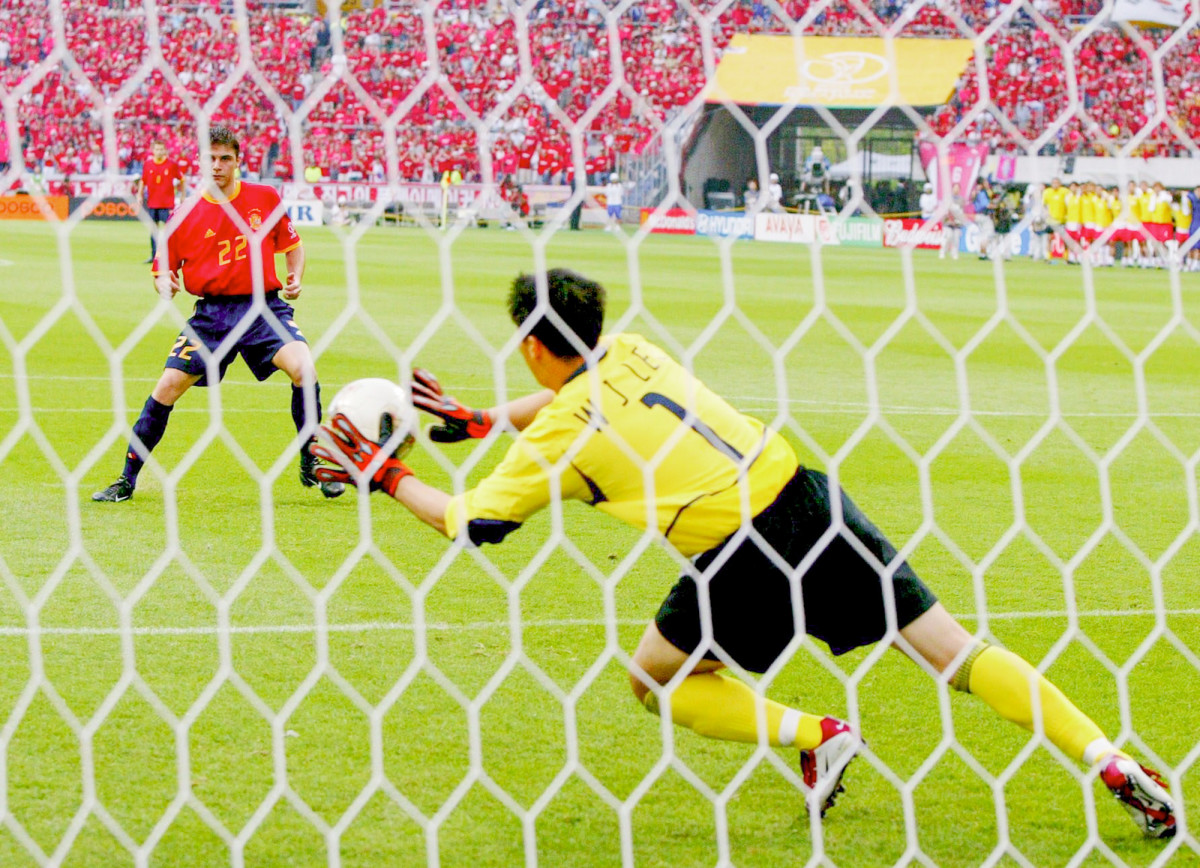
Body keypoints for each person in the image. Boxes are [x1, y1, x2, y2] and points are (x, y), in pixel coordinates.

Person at [310, 268, 1177, 836]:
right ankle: (1110, 758)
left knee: (655, 679)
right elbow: (584, 387)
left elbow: (472, 523)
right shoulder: (634, 346)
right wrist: (487, 419)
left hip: (738, 551)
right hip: (805, 492)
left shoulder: (566, 433)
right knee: (954, 650)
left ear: (534, 345)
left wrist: (380, 471)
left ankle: (816, 731)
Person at [92, 125, 344, 503]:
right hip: (212, 315)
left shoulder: (265, 197)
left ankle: (313, 458)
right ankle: (126, 480)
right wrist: (163, 283)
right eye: (211, 158)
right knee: (167, 387)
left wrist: (295, 276)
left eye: (226, 158)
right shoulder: (185, 213)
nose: (218, 165)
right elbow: (162, 268)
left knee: (304, 369)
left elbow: (293, 244)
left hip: (264, 308)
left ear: (238, 162)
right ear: (200, 162)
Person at [134, 139, 183, 264]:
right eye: (157, 149)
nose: (159, 151)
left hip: (167, 205)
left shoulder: (171, 164)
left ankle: (172, 257)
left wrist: (182, 196)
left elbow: (182, 179)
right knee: (153, 231)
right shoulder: (148, 164)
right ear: (153, 150)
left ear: (165, 150)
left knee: (170, 232)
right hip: (152, 203)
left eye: (161, 149)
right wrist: (139, 195)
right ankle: (154, 255)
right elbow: (143, 181)